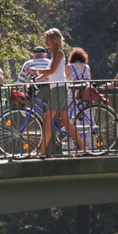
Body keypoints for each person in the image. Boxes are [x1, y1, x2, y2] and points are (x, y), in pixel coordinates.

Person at [36, 28, 83, 157]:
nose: (46, 41)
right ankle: (82, 146)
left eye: (48, 38)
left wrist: (36, 71)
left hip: (59, 89)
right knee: (65, 121)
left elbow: (51, 71)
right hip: (57, 88)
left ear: (54, 40)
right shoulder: (55, 54)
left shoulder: (59, 53)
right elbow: (53, 72)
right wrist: (37, 80)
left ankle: (42, 151)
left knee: (47, 120)